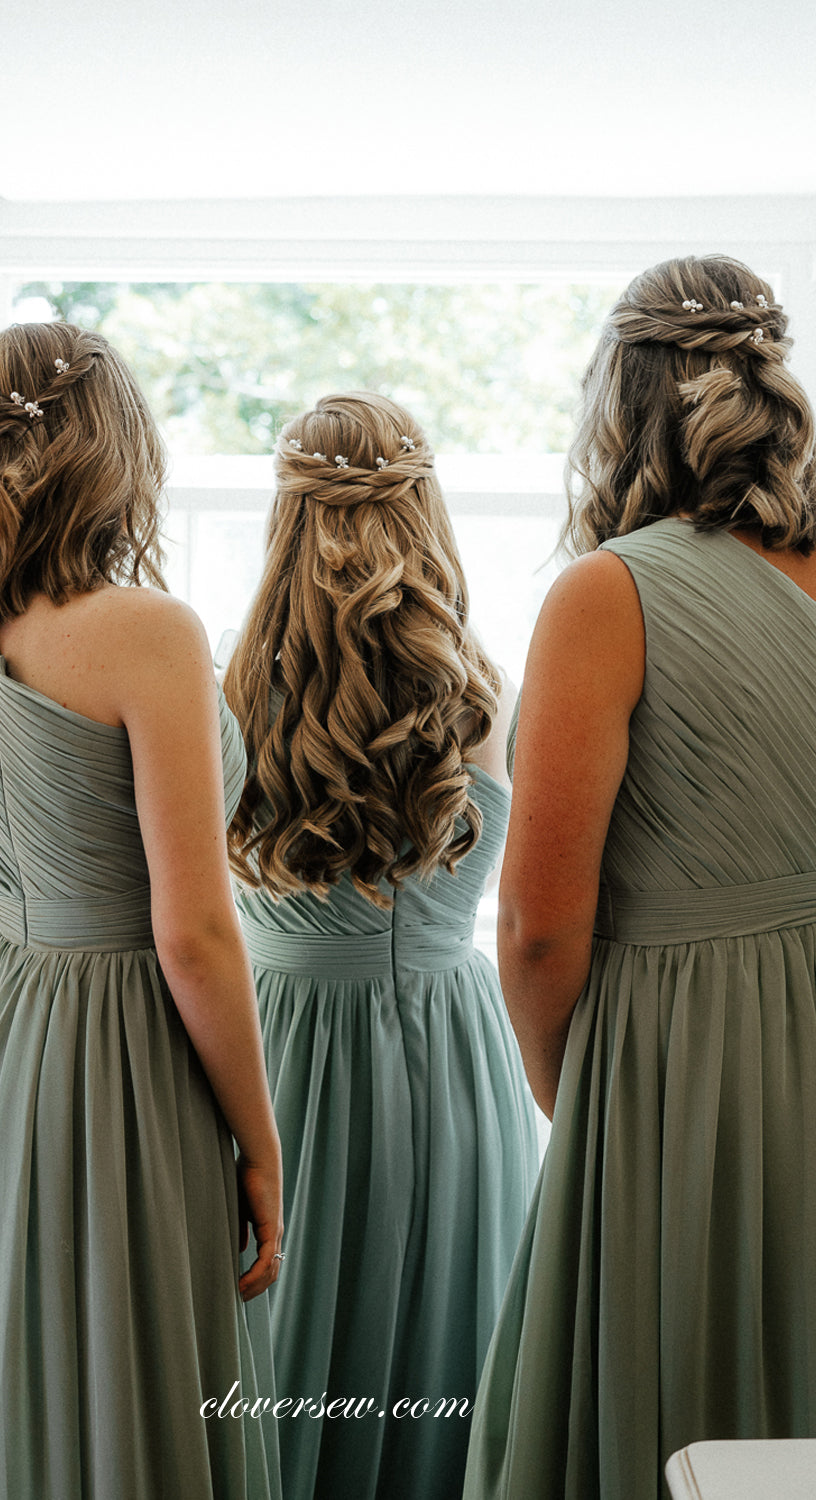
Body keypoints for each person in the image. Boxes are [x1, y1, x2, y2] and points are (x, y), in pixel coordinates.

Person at [0, 323, 283, 1500]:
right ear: (114, 450)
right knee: (140, 1379)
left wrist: (22, 1036)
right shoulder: (149, 632)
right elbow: (194, 934)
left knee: (12, 1372)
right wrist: (261, 1149)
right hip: (132, 1047)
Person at [462, 255, 816, 1500]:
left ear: (621, 399)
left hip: (674, 1059)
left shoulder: (608, 592)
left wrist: (578, 1093)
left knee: (668, 1391)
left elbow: (537, 925)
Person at [223, 392, 538, 1500]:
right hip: (453, 1055)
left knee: (282, 1358)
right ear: (426, 511)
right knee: (446, 1345)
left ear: (285, 518)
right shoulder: (481, 696)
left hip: (276, 1054)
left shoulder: (224, 695)